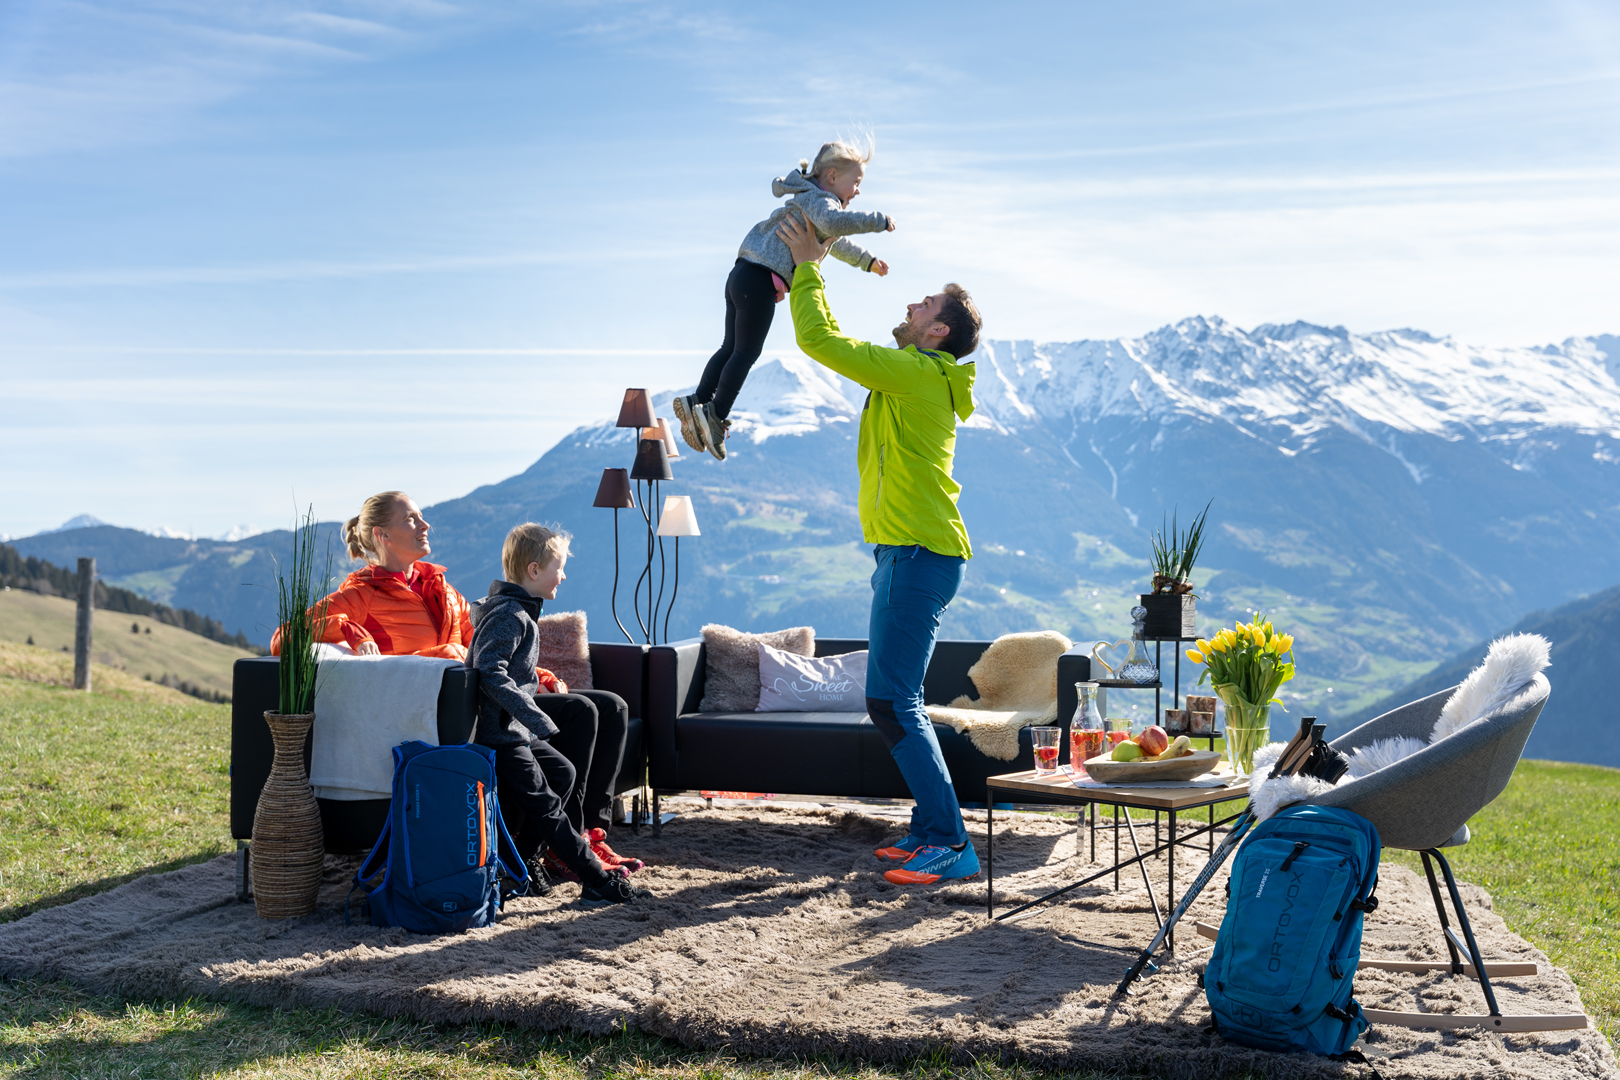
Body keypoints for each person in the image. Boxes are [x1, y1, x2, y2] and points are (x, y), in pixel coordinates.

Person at [776, 209, 984, 887]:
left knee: (893, 702)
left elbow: (820, 341)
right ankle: (930, 827)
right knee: (893, 699)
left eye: (924, 303)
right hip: (911, 554)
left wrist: (808, 267)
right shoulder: (914, 374)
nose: (911, 305)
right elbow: (838, 344)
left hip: (918, 552)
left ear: (939, 330)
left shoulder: (917, 373)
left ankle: (950, 842)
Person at [673, 138, 895, 462]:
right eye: (856, 182)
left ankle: (697, 400)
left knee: (730, 347)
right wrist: (877, 221)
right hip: (760, 281)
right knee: (746, 352)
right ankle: (715, 416)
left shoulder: (807, 200)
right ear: (832, 177)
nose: (858, 191)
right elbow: (835, 225)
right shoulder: (822, 202)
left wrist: (868, 261)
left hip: (741, 275)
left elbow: (836, 242)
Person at [468, 523, 651, 905]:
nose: (564, 576)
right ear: (534, 570)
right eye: (559, 567)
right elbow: (489, 671)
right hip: (499, 736)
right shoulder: (510, 615)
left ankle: (520, 863)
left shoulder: (519, 611)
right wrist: (535, 718)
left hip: (513, 730)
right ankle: (597, 881)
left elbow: (514, 671)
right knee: (548, 807)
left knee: (562, 773)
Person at [270, 491, 471, 660]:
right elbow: (282, 639)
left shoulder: (446, 592)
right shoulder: (361, 596)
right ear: (383, 535)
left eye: (421, 516)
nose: (425, 524)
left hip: (461, 695)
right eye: (410, 519)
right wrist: (347, 629)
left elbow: (479, 645)